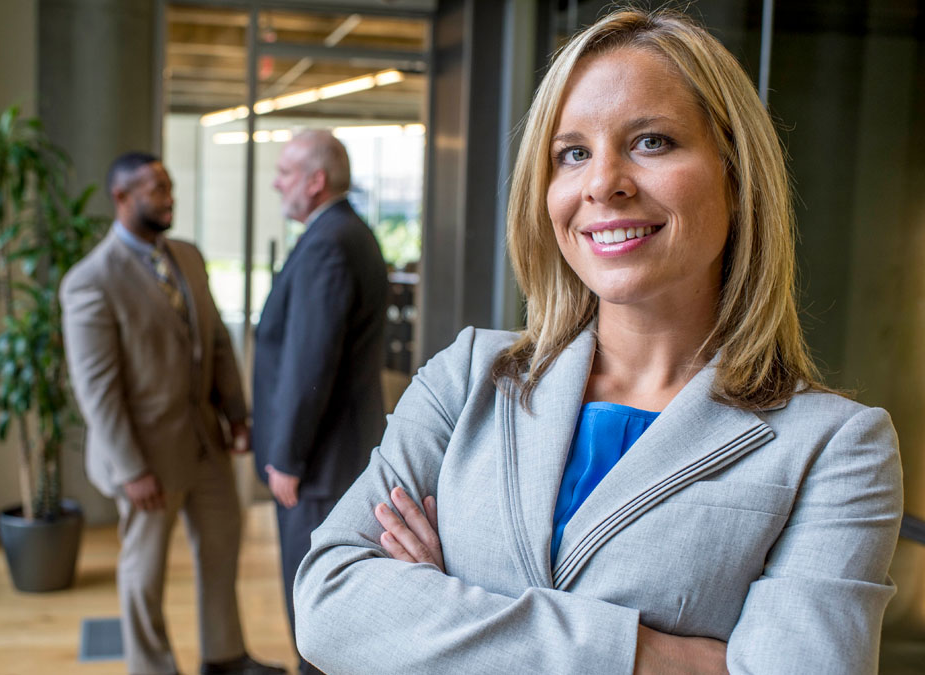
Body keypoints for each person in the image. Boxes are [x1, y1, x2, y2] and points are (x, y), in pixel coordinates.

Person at [293, 8, 903, 675]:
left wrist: (436, 610)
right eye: (573, 153)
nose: (602, 182)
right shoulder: (468, 376)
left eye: (652, 141)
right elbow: (328, 600)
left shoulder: (835, 448)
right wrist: (647, 654)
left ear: (736, 174)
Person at [61, 152, 284, 675]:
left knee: (223, 545)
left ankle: (224, 657)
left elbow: (218, 340)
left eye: (170, 188)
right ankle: (152, 668)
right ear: (122, 198)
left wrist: (237, 412)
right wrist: (131, 469)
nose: (168, 199)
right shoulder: (90, 281)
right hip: (145, 459)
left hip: (205, 441)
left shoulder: (187, 256)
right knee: (145, 573)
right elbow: (97, 391)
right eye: (156, 190)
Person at [253, 130, 389, 673]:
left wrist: (288, 458)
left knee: (312, 608)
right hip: (333, 456)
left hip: (319, 465)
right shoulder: (343, 231)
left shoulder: (329, 243)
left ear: (315, 181)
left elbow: (311, 363)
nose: (275, 183)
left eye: (285, 172)